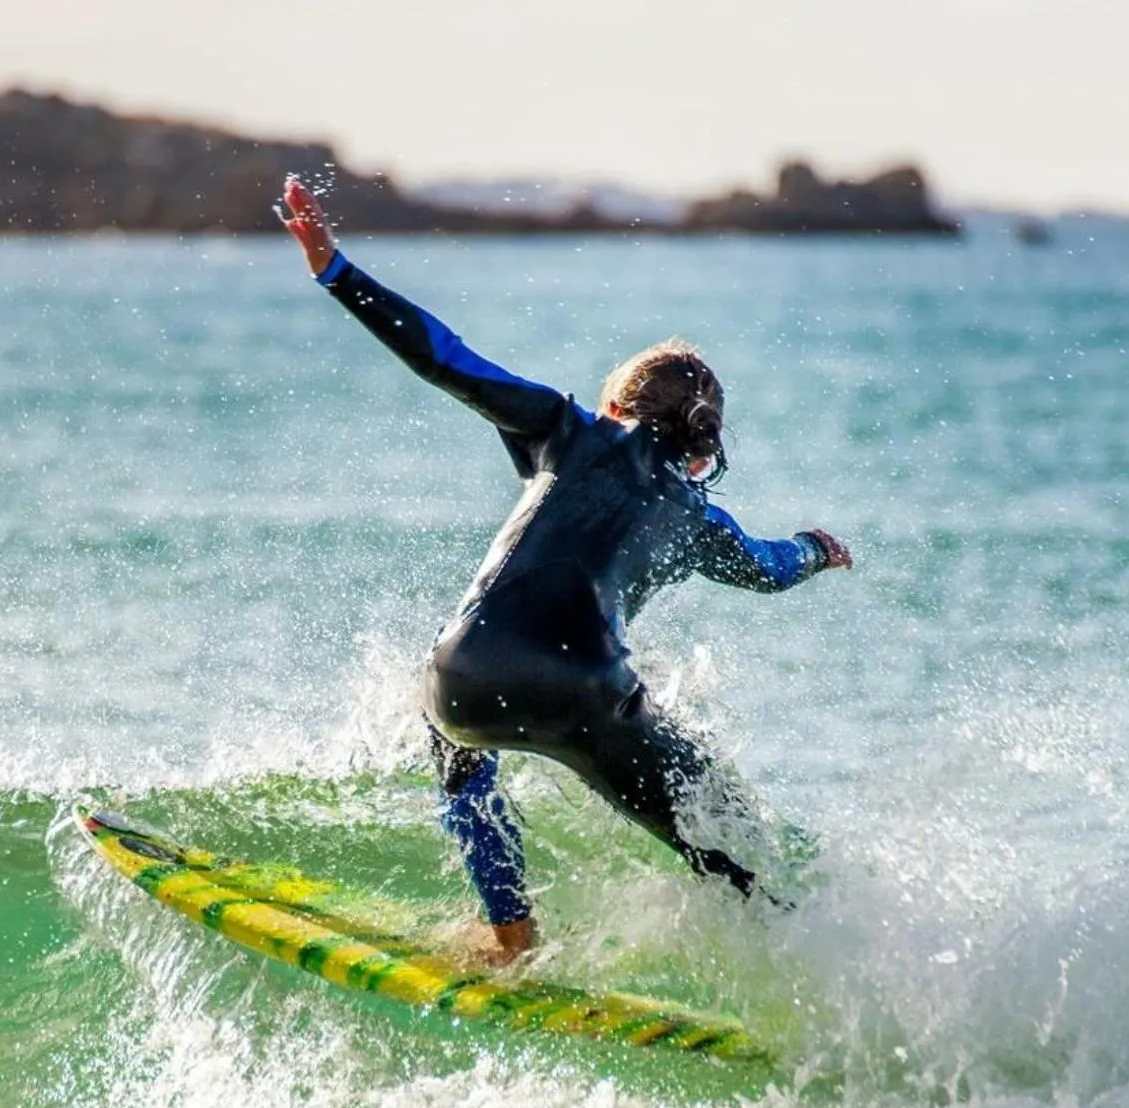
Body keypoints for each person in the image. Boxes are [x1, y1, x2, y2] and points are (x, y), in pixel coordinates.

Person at [277, 176, 852, 966]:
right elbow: (766, 568)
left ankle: (509, 934)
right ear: (701, 445)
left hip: (470, 676)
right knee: (708, 821)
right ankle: (809, 944)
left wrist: (335, 270)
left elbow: (443, 358)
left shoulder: (564, 428)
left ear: (616, 407)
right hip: (588, 698)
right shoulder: (697, 517)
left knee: (453, 747)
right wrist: (817, 549)